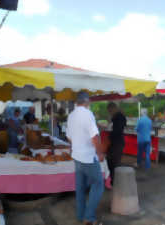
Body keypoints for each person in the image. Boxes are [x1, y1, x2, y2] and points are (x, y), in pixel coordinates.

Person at [66, 91, 104, 225]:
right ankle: (89, 217)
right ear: (87, 101)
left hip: (76, 156)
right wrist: (100, 153)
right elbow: (95, 136)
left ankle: (80, 216)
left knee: (80, 188)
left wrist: (76, 145)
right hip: (88, 157)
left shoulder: (71, 115)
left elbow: (69, 136)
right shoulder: (88, 114)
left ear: (77, 102)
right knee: (98, 183)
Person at [106, 102, 127, 185]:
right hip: (116, 143)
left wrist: (110, 134)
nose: (109, 112)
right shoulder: (118, 117)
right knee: (112, 162)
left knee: (114, 163)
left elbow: (117, 131)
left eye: (109, 111)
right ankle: (112, 180)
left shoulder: (119, 117)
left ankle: (114, 181)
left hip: (117, 143)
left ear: (113, 108)